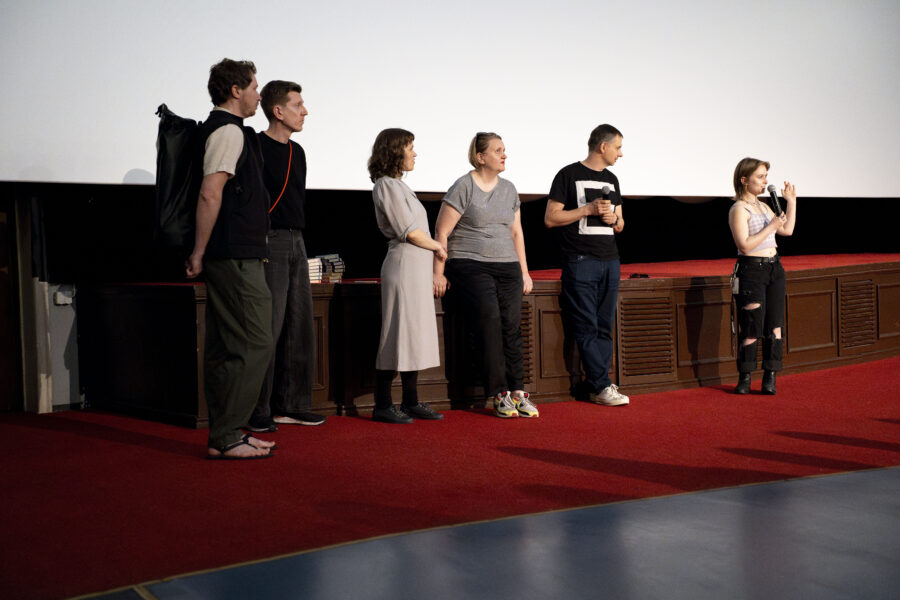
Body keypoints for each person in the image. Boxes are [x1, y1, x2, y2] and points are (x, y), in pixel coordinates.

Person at [186, 58, 276, 460]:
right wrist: (199, 251)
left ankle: (226, 434)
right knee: (255, 341)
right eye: (254, 86)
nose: (259, 94)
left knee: (229, 344)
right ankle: (226, 435)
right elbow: (210, 193)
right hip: (234, 255)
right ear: (236, 90)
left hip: (234, 253)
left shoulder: (231, 130)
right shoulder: (227, 131)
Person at [433, 132, 539, 419]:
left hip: (507, 266)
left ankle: (518, 392)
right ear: (480, 157)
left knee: (512, 326)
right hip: (470, 263)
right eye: (497, 150)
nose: (504, 155)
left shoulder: (509, 189)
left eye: (504, 150)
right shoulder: (464, 186)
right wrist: (438, 273)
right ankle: (499, 394)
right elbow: (442, 231)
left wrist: (524, 271)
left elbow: (516, 233)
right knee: (490, 321)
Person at [247, 80, 325, 432]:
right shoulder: (255, 146)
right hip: (269, 241)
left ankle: (292, 405)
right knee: (270, 326)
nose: (304, 111)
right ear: (278, 111)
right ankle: (257, 408)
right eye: (298, 105)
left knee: (299, 323)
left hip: (297, 240)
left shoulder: (299, 152)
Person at [544, 124, 629, 407]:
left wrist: (613, 219)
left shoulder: (612, 179)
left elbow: (621, 223)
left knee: (605, 326)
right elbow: (550, 218)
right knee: (587, 326)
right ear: (603, 146)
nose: (620, 153)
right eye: (617, 147)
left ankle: (599, 384)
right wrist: (587, 210)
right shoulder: (568, 174)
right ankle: (601, 384)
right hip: (580, 261)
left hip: (610, 260)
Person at [367, 128, 446, 424]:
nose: (414, 153)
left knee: (413, 333)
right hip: (403, 266)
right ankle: (383, 404)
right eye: (409, 147)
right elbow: (408, 231)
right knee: (396, 332)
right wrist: (438, 246)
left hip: (416, 267)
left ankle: (410, 400)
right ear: (394, 151)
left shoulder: (400, 186)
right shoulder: (386, 185)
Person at [728, 158, 797, 394]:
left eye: (766, 176)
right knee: (751, 325)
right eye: (760, 177)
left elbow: (787, 230)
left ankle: (770, 376)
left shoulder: (766, 207)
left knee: (774, 325)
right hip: (752, 271)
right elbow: (745, 245)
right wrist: (770, 227)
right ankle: (745, 377)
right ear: (744, 180)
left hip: (774, 269)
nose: (765, 181)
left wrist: (791, 202)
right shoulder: (739, 209)